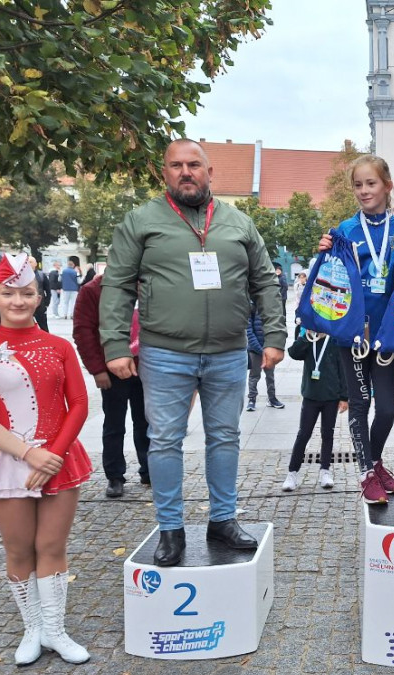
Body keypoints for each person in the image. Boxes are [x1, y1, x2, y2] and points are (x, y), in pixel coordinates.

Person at [100, 138, 286, 567]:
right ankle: (170, 528)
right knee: (164, 440)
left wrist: (274, 335)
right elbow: (117, 286)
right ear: (164, 173)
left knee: (225, 437)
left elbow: (265, 282)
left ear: (209, 172)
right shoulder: (141, 221)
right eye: (176, 165)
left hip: (227, 352)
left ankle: (222, 520)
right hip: (165, 353)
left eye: (194, 165)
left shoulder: (239, 223)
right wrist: (114, 344)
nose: (186, 172)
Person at [0, 253, 93, 665]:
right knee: (19, 550)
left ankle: (56, 630)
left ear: (39, 297)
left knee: (51, 544)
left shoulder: (60, 346)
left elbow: (79, 403)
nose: (18, 301)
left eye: (26, 293)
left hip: (59, 458)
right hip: (8, 461)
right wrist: (27, 453)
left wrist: (52, 454)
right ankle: (32, 629)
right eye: (9, 293)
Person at [316, 155, 394, 503]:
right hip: (352, 333)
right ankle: (366, 471)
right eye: (358, 184)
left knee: (387, 407)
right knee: (360, 402)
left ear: (387, 185)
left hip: (385, 333)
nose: (364, 190)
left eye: (371, 183)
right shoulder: (344, 230)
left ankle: (375, 458)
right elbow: (330, 279)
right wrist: (323, 254)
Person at [73, 273, 150, 499]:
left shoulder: (147, 283)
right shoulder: (92, 290)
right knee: (114, 425)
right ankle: (115, 476)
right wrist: (97, 369)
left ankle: (149, 469)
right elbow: (83, 330)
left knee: (146, 422)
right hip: (112, 368)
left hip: (145, 366)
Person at [281, 327, 347, 491]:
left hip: (331, 395)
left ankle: (325, 470)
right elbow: (294, 353)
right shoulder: (307, 336)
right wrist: (307, 336)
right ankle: (292, 472)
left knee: (328, 434)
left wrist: (345, 397)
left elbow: (343, 368)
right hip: (311, 395)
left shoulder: (334, 338)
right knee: (304, 433)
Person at [246, 303, 284, 410]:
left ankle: (272, 399)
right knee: (254, 376)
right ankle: (252, 399)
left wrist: (272, 346)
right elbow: (249, 332)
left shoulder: (271, 308)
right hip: (255, 350)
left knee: (270, 376)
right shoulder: (251, 307)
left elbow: (276, 328)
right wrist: (260, 350)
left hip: (269, 349)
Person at [29, 256, 51, 332]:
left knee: (43, 326)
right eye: (27, 262)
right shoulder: (21, 276)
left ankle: (47, 341)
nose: (29, 264)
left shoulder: (41, 275)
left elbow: (48, 290)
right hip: (27, 305)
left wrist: (46, 303)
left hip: (40, 306)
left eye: (31, 262)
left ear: (35, 264)